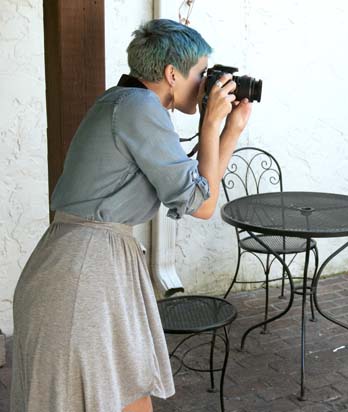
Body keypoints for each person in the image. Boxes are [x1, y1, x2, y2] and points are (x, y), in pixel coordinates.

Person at [11, 19, 251, 412]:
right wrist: (211, 123)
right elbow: (204, 206)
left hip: (90, 266)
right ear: (172, 74)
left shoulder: (125, 102)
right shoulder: (139, 108)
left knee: (128, 395)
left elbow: (198, 195)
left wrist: (230, 131)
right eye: (201, 74)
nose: (207, 84)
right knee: (108, 398)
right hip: (84, 274)